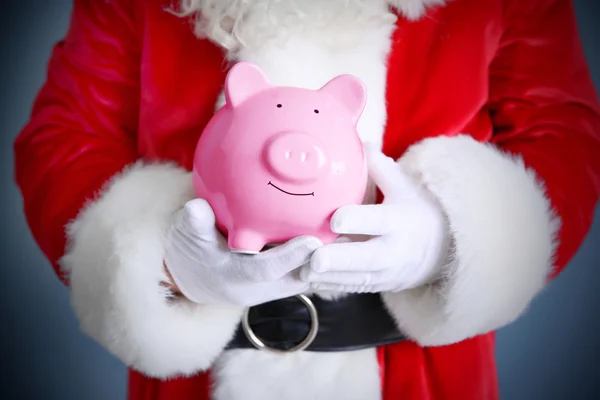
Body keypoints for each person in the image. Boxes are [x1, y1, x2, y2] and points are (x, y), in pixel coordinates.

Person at [13, 0, 600, 399]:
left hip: (421, 375)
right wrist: (162, 261)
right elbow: (65, 136)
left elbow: (562, 133)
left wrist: (452, 240)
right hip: (201, 373)